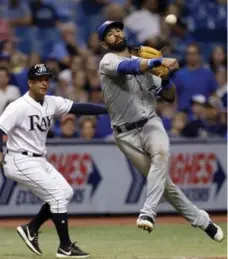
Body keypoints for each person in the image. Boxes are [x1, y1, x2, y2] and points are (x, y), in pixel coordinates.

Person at [97, 20, 224, 242]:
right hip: (125, 134)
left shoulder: (146, 64)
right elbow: (129, 67)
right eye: (109, 34)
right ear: (105, 44)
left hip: (150, 123)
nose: (116, 34)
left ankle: (148, 212)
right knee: (166, 186)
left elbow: (169, 96)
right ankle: (203, 221)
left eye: (118, 29)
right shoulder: (107, 61)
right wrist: (158, 60)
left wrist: (165, 78)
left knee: (161, 155)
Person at [0, 64, 108, 258]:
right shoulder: (17, 106)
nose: (44, 83)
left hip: (38, 159)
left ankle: (31, 228)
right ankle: (65, 246)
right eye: (39, 79)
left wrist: (106, 110)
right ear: (30, 82)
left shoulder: (51, 102)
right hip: (18, 159)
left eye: (46, 79)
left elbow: (78, 107)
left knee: (66, 193)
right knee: (57, 196)